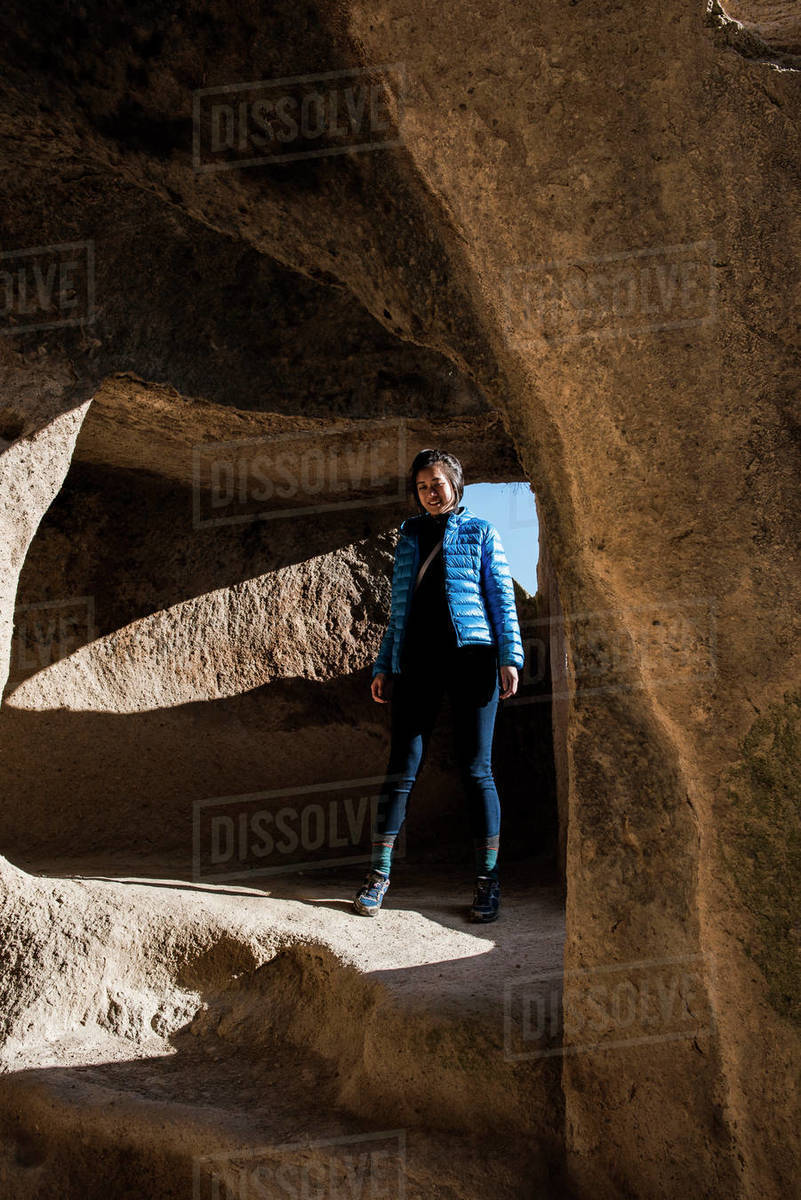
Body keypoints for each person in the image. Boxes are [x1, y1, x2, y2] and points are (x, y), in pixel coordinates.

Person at [353, 448, 524, 922]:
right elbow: (399, 608)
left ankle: (488, 882)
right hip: (417, 662)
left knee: (477, 770)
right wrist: (384, 665)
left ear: (456, 485)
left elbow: (501, 600)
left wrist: (510, 657)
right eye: (423, 485)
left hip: (473, 660)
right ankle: (378, 876)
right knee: (401, 769)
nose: (431, 491)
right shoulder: (408, 536)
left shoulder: (482, 532)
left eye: (438, 482)